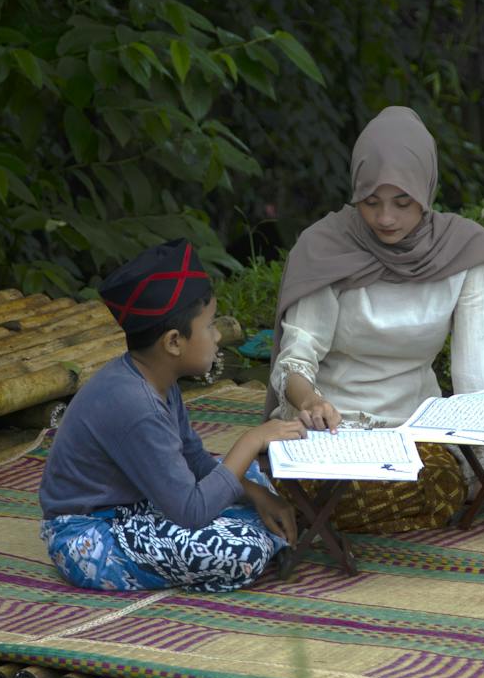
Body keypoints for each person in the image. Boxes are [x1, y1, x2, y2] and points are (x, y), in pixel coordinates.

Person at [267, 106, 484, 533]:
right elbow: (296, 359)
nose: (385, 218)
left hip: (414, 432)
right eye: (370, 201)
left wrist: (483, 468)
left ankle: (334, 518)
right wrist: (309, 402)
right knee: (328, 488)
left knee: (431, 481)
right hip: (331, 432)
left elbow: (473, 379)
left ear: (426, 191)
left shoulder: (464, 254)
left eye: (403, 202)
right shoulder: (326, 249)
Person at [40, 239, 308, 591]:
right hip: (90, 534)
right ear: (173, 342)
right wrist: (251, 439)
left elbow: (193, 459)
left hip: (140, 507)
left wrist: (257, 495)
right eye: (209, 326)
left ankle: (269, 532)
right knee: (240, 548)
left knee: (255, 481)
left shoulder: (157, 380)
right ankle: (269, 543)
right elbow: (192, 511)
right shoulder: (135, 404)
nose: (216, 337)